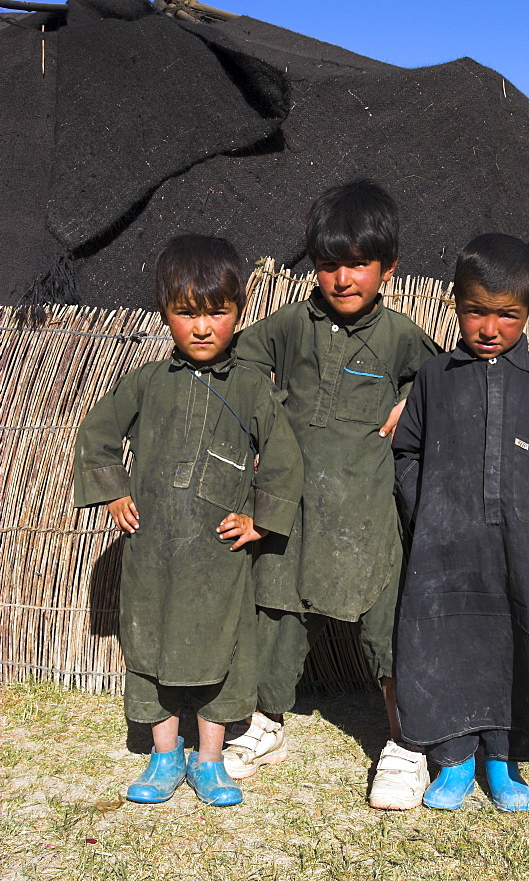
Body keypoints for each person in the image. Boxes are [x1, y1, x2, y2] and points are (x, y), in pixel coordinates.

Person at [228, 179, 440, 808]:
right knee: (279, 615)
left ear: (388, 269)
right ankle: (266, 724)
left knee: (387, 625)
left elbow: (444, 381)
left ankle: (407, 743)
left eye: (358, 264)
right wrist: (265, 416)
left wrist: (411, 401)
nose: (343, 278)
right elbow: (240, 360)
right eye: (328, 264)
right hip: (294, 504)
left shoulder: (401, 336)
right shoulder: (291, 324)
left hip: (366, 507)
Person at [74, 235, 303, 807]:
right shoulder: (147, 382)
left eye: (217, 312)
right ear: (165, 313)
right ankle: (164, 756)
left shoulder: (252, 386)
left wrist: (259, 517)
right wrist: (113, 492)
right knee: (149, 643)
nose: (202, 328)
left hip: (219, 558)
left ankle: (210, 759)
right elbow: (97, 436)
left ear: (239, 311)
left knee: (223, 648)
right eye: (186, 313)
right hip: (152, 551)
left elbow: (283, 457)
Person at [392, 233, 529, 812]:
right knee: (446, 642)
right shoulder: (437, 376)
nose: (489, 328)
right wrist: (426, 505)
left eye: (506, 316)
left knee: (513, 641)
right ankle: (455, 761)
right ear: (455, 307)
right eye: (475, 312)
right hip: (442, 551)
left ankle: (502, 763)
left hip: (514, 546)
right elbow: (405, 452)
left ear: (527, 312)